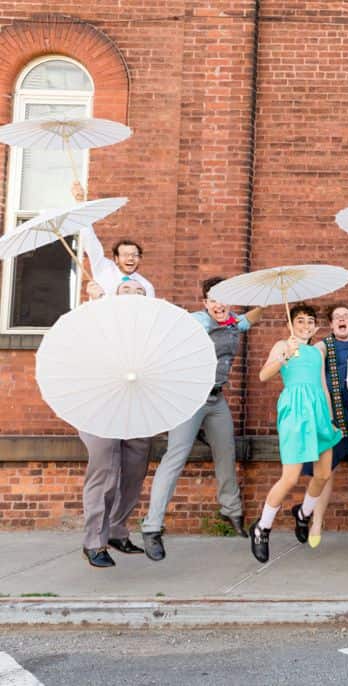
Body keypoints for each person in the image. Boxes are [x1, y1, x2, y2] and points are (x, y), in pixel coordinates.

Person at [141, 277, 263, 561]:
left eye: (224, 298)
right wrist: (216, 320)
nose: (219, 305)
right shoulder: (197, 321)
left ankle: (230, 510)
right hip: (189, 400)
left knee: (226, 451)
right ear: (205, 303)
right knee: (175, 458)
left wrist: (265, 301)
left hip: (216, 400)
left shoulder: (233, 321)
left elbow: (249, 320)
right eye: (213, 299)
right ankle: (152, 528)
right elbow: (189, 328)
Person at [249, 304, 342, 563]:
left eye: (309, 321)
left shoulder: (316, 351)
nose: (305, 325)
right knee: (290, 478)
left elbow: (323, 385)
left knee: (323, 473)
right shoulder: (283, 345)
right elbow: (263, 375)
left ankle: (303, 513)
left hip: (319, 413)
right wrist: (285, 356)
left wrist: (332, 418)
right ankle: (262, 527)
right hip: (294, 412)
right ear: (291, 323)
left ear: (315, 326)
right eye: (299, 321)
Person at [79, 279, 153, 568]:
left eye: (140, 291)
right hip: (101, 408)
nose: (133, 294)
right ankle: (94, 541)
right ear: (113, 295)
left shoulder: (149, 333)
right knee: (105, 474)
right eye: (126, 289)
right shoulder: (97, 324)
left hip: (137, 410)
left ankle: (117, 531)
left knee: (134, 474)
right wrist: (93, 304)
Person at [304, 304, 348, 548]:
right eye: (337, 317)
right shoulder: (322, 347)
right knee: (327, 470)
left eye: (346, 316)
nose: (342, 319)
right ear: (330, 324)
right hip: (333, 412)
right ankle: (317, 521)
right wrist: (327, 415)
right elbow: (315, 371)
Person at [72, 180, 156, 299]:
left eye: (135, 255)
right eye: (125, 254)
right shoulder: (103, 267)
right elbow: (90, 240)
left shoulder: (145, 287)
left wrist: (101, 296)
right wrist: (80, 203)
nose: (130, 258)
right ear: (116, 259)